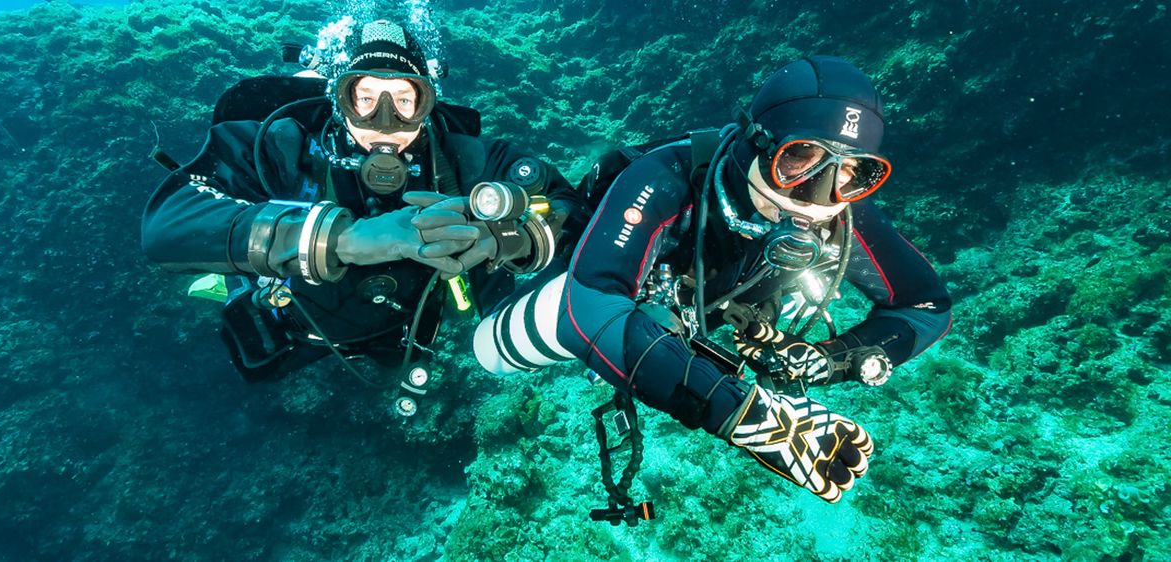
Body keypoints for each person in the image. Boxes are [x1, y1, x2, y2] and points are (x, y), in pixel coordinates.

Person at [473, 56, 951, 504]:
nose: (819, 197)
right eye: (800, 158)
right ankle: (482, 244)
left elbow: (926, 306)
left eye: (853, 172)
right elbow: (589, 305)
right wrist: (739, 411)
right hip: (613, 277)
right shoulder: (665, 177)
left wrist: (828, 359)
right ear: (755, 143)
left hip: (703, 305)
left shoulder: (843, 213)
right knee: (489, 350)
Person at [141, 19, 586, 411]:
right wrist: (340, 239)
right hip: (301, 325)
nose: (385, 121)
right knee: (257, 362)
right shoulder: (282, 147)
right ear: (339, 100)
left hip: (401, 334)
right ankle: (227, 282)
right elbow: (167, 224)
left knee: (394, 359)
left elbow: (573, 210)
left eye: (405, 100)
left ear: (428, 103)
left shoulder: (463, 161)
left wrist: (510, 237)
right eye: (366, 98)